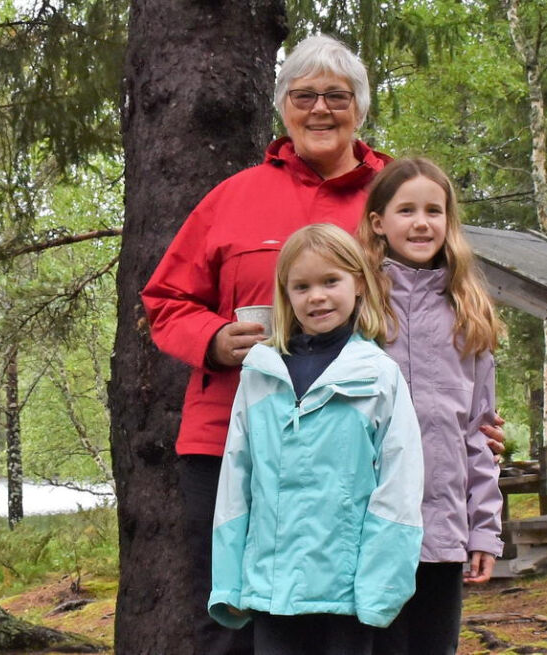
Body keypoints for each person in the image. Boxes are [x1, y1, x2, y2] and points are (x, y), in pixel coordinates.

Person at [141, 34, 503, 654]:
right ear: (283, 106)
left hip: (355, 453)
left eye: (337, 95)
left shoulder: (396, 196)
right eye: (303, 95)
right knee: (234, 622)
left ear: (360, 107)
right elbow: (164, 301)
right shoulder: (232, 198)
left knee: (358, 624)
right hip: (231, 437)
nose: (320, 109)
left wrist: (468, 420)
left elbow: (443, 319)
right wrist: (216, 339)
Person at [208, 223, 424, 655]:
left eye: (331, 281)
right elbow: (236, 478)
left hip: (345, 593)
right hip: (273, 591)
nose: (317, 296)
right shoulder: (261, 373)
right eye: (301, 286)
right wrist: (229, 581)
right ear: (286, 295)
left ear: (358, 283)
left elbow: (400, 484)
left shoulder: (378, 376)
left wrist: (380, 586)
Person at [356, 157, 505, 655]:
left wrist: (483, 530)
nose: (421, 223)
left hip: (442, 532)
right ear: (378, 222)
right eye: (406, 210)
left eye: (434, 211)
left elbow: (477, 435)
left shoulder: (468, 313)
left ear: (448, 221)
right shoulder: (356, 307)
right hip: (368, 530)